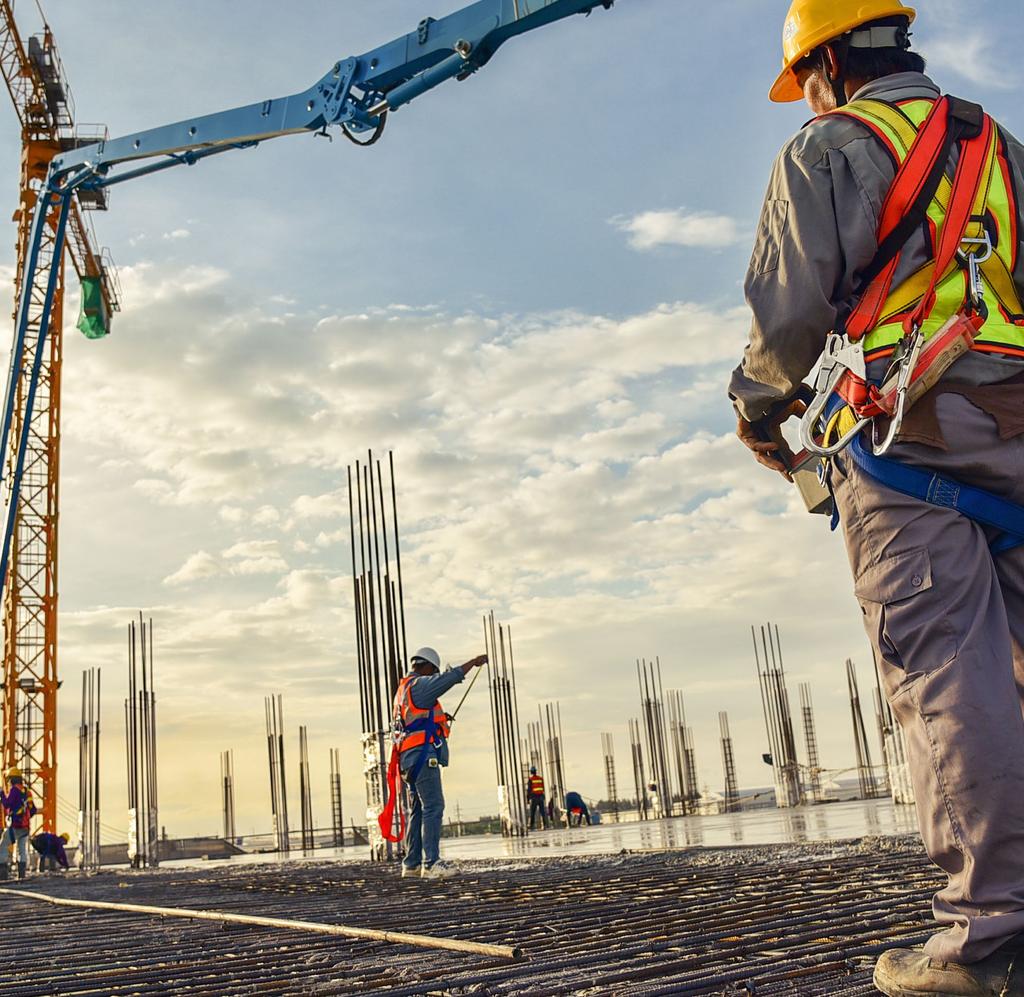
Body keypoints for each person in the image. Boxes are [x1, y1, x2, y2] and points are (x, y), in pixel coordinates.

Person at [730, 3, 1024, 994]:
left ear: (823, 63)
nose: (800, 98)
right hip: (1020, 427)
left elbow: (789, 309)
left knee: (950, 685)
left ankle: (983, 944)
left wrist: (760, 412)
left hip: (905, 445)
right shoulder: (996, 143)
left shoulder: (828, 147)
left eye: (801, 80)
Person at [394, 646, 486, 880]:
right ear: (426, 667)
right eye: (432, 672)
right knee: (433, 806)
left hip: (408, 758)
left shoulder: (403, 690)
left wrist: (440, 721)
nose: (433, 676)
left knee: (417, 809)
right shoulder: (420, 685)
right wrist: (472, 662)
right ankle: (432, 863)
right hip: (422, 756)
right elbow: (448, 679)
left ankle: (412, 864)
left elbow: (416, 720)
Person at [0, 767, 37, 882]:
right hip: (25, 827)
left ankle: (2, 875)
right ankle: (22, 876)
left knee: (3, 845)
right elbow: (33, 810)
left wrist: (1, 793)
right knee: (21, 849)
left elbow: (7, 804)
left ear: (11, 779)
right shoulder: (26, 791)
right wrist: (25, 818)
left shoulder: (14, 790)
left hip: (16, 825)